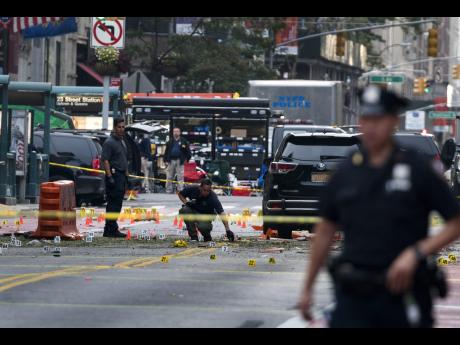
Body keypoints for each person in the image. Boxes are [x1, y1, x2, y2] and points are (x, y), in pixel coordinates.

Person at [298, 85, 460, 328]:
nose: (371, 126)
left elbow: (455, 222)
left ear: (394, 121)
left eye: (378, 119)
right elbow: (324, 231)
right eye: (366, 119)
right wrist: (307, 288)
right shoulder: (346, 171)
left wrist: (416, 253)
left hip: (403, 294)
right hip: (354, 295)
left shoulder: (417, 168)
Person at [101, 118, 131, 238]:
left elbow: (124, 159)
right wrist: (109, 177)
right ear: (114, 128)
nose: (121, 129)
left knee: (117, 203)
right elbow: (105, 160)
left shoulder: (122, 141)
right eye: (119, 127)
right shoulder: (109, 142)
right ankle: (111, 229)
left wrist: (127, 176)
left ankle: (110, 228)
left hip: (121, 175)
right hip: (114, 175)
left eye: (123, 127)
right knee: (113, 204)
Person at [164, 127, 191, 193]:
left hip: (180, 161)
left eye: (177, 131)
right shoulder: (170, 141)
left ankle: (180, 190)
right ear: (173, 133)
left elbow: (188, 151)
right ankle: (168, 190)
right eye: (174, 131)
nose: (176, 133)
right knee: (169, 176)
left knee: (180, 176)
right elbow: (166, 152)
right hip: (171, 160)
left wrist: (187, 159)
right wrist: (165, 160)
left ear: (179, 132)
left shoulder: (183, 141)